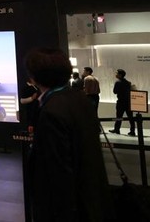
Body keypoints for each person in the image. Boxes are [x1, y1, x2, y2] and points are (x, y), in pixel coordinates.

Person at [25, 48, 114, 222]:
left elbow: (58, 170)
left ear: (34, 78)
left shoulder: (52, 111)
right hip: (91, 199)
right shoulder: (80, 100)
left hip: (68, 209)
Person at [109, 69, 136, 136]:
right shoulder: (128, 82)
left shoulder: (118, 82)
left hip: (121, 102)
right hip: (128, 102)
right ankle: (132, 131)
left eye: (117, 73)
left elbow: (114, 92)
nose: (116, 74)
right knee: (130, 117)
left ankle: (117, 129)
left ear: (120, 75)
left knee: (119, 116)